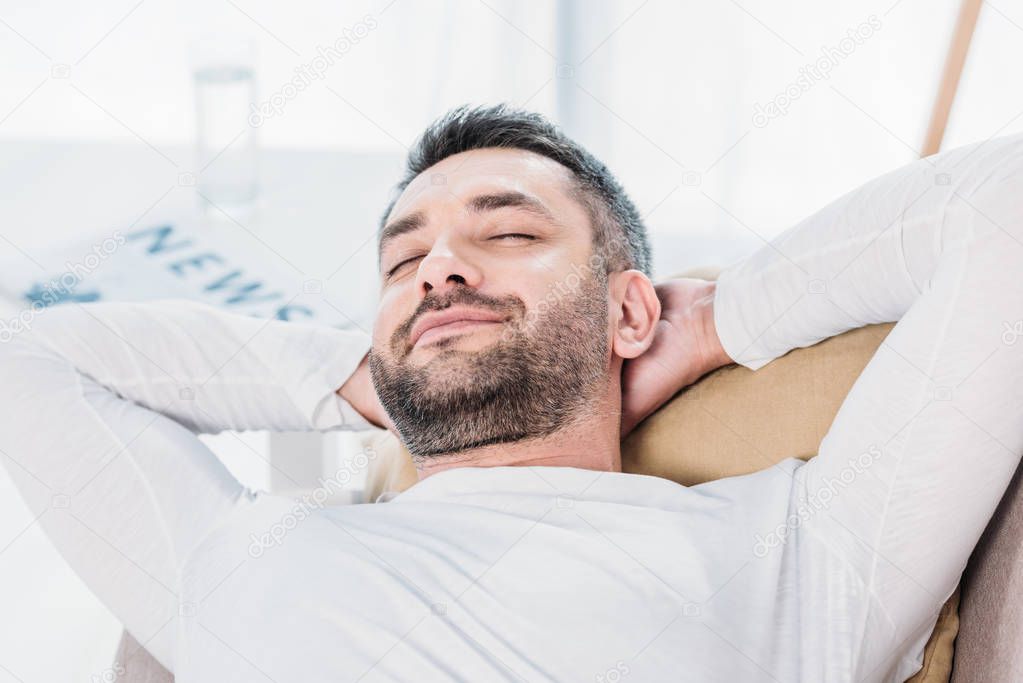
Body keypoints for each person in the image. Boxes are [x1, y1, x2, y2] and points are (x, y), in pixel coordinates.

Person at [1, 104, 1021, 682]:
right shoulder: (243, 553)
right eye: (404, 262)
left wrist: (712, 321)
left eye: (509, 233)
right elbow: (24, 355)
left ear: (628, 313)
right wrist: (368, 374)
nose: (439, 269)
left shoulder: (802, 554)